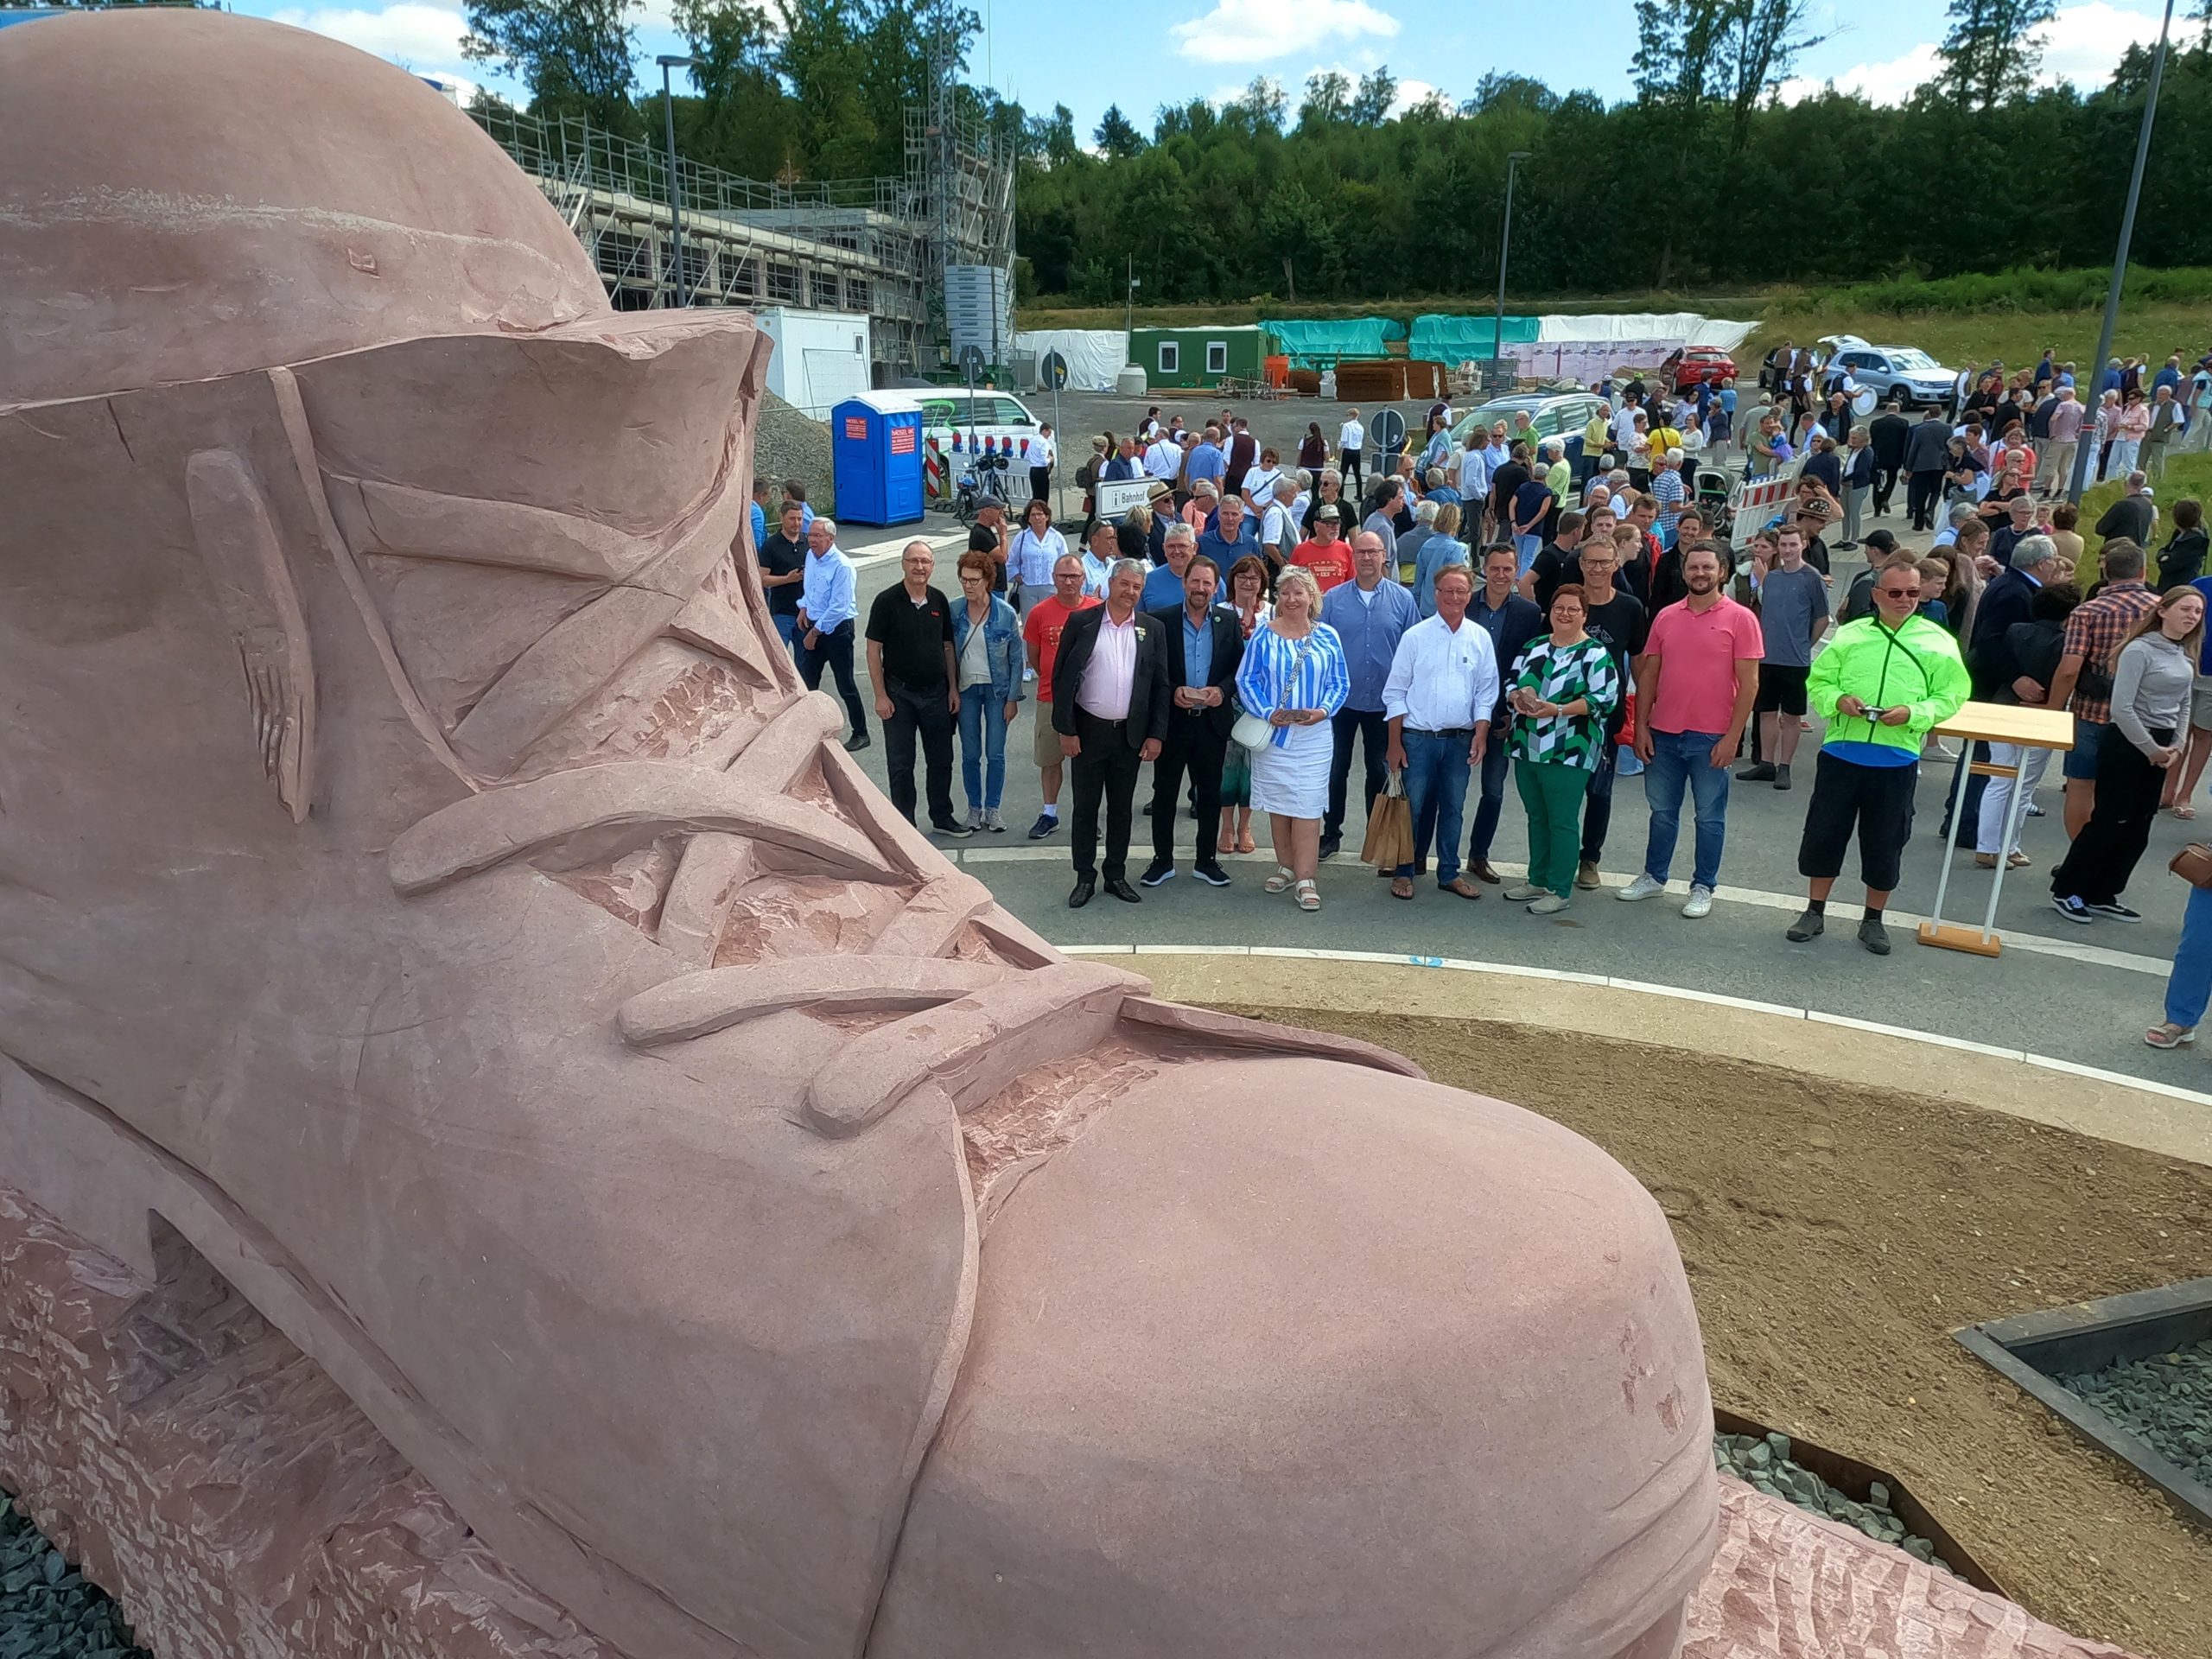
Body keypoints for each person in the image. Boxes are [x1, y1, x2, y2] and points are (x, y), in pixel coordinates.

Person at [1786, 559, 1971, 953]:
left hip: (1897, 757)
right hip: (1842, 752)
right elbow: (1819, 680)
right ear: (1876, 595)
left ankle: (1873, 919)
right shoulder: (1851, 635)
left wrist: (1915, 714)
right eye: (1895, 593)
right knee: (1824, 834)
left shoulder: (1938, 641)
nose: (1904, 600)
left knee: (1886, 841)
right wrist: (1838, 700)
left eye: (1912, 593)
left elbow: (1952, 695)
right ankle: (1814, 910)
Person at [1619, 543, 1760, 917]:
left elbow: (1749, 685)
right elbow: (1649, 674)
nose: (1700, 573)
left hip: (1712, 737)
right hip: (1663, 733)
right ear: (1683, 573)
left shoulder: (1741, 619)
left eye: (1707, 568)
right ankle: (1654, 876)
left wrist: (1733, 737)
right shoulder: (1665, 617)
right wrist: (1642, 727)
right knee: (1662, 812)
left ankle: (1703, 886)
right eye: (1693, 567)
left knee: (1709, 817)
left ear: (1722, 572)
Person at [2051, 585, 2207, 923]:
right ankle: (2069, 889)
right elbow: (2121, 708)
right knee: (2110, 819)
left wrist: (2176, 745)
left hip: (2164, 744)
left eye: (2197, 612)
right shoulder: (2139, 650)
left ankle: (2104, 892)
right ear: (2163, 610)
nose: (2192, 616)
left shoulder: (2184, 654)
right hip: (2128, 741)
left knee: (2139, 824)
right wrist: (2150, 749)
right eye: (2185, 609)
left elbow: (2184, 703)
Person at [1052, 558, 1169, 907]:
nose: (1130, 592)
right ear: (1111, 583)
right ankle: (1084, 877)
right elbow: (1062, 678)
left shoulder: (1152, 629)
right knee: (1086, 808)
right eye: (1125, 584)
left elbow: (1161, 685)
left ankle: (1115, 875)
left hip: (1129, 736)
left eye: (1137, 587)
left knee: (1121, 809)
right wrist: (1066, 729)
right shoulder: (1082, 622)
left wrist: (1156, 735)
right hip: (1088, 731)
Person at [1499, 585, 1621, 914]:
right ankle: (1537, 878)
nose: (1564, 614)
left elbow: (1603, 700)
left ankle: (1559, 887)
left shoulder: (1596, 654)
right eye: (1558, 608)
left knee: (1562, 820)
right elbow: (1510, 682)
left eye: (1572, 609)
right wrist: (1517, 697)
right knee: (1536, 816)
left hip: (1569, 749)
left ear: (1584, 614)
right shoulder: (1534, 646)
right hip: (1527, 746)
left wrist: (1557, 710)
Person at [1380, 563, 1497, 903]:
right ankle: (1404, 871)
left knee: (1454, 808)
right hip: (1418, 740)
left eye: (1462, 591)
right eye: (1448, 591)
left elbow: (1487, 692)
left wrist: (1480, 733)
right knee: (1411, 809)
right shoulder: (1415, 637)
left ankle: (1449, 872)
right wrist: (1394, 743)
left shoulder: (1480, 638)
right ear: (1436, 595)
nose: (1455, 597)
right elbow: (1395, 692)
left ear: (1469, 594)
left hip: (1460, 739)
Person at [1237, 566, 1351, 912]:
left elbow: (1340, 683)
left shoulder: (1328, 636)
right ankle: (1285, 867)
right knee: (1278, 804)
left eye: (1298, 592)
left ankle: (1306, 877)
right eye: (1285, 592)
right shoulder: (1263, 635)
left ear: (1311, 597)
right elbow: (1246, 680)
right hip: (1274, 736)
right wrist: (1268, 710)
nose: (1291, 599)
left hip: (1314, 738)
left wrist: (1322, 711)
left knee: (1307, 806)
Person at [2048, 540, 2161, 841]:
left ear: (2106, 571)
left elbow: (2070, 669)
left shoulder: (2087, 612)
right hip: (2144, 716)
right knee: (2125, 792)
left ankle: (2079, 857)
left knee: (2081, 786)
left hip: (2091, 712)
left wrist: (2052, 710)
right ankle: (2107, 861)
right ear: (2143, 571)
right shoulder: (2161, 611)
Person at [1141, 554, 1242, 890]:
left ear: (1216, 588)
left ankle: (1206, 861)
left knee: (1210, 795)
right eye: (1195, 581)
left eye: (1207, 583)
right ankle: (1162, 860)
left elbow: (1237, 671)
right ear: (1184, 584)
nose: (1200, 589)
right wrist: (1172, 691)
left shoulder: (1227, 621)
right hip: (1173, 722)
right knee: (1165, 794)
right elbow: (1152, 671)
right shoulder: (1161, 621)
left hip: (1212, 722)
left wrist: (1221, 691)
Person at [1318, 531, 1420, 862]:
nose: (1366, 558)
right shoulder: (1332, 600)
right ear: (1352, 557)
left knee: (1380, 771)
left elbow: (1413, 651)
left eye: (1372, 552)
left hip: (1385, 703)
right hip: (1340, 701)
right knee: (1335, 770)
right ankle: (1331, 832)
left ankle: (1377, 837)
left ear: (1384, 556)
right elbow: (1319, 647)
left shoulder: (1403, 600)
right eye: (1360, 552)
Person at [863, 540, 966, 836]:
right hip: (899, 695)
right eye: (913, 561)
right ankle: (904, 825)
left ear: (933, 566)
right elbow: (873, 651)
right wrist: (881, 696)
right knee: (901, 763)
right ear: (903, 564)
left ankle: (942, 817)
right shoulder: (886, 601)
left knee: (941, 759)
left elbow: (948, 646)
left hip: (937, 694)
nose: (919, 567)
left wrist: (952, 689)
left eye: (925, 561)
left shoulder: (938, 600)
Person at [1978, 570, 2079, 868]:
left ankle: (1988, 846)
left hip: (2004, 708)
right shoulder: (2066, 643)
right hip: (2042, 716)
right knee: (2025, 784)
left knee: (1999, 779)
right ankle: (2010, 845)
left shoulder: (2015, 631)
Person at [1462, 544, 1547, 884]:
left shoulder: (1529, 613)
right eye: (1494, 569)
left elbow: (1531, 665)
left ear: (1515, 571)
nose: (1500, 575)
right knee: (1448, 791)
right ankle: (1430, 851)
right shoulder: (1464, 604)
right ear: (1484, 569)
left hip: (1503, 714)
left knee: (1493, 791)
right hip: (1460, 712)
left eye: (1507, 569)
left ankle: (1479, 855)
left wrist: (1516, 711)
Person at [1568, 536, 1645, 888]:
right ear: (1581, 564)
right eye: (1591, 562)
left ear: (1616, 565)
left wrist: (1642, 715)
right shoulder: (1567, 601)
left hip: (1605, 719)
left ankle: (1589, 859)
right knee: (1563, 793)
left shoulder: (1630, 608)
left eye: (1604, 562)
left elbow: (1641, 665)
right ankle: (1561, 856)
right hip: (1562, 716)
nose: (1597, 569)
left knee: (1599, 792)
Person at [1735, 524, 1828, 791]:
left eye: (1793, 545)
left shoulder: (1812, 578)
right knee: (1765, 712)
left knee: (1791, 716)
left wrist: (1805, 644)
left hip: (1795, 660)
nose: (1788, 550)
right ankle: (1766, 763)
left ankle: (1785, 765)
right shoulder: (1772, 578)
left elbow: (1822, 617)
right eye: (1784, 545)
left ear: (1803, 545)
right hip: (1767, 657)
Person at [1020, 553, 1101, 840]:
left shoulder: (1097, 610)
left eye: (1074, 576)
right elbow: (1034, 655)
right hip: (1051, 698)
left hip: (1091, 699)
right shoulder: (1039, 613)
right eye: (1063, 576)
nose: (1069, 581)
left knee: (1089, 763)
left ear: (1083, 579)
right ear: (1054, 579)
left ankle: (1087, 817)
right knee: (1051, 760)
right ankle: (1049, 813)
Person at [949, 550, 1023, 832]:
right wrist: (951, 689)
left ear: (987, 581)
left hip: (997, 691)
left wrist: (1013, 698)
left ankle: (993, 809)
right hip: (966, 689)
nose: (968, 586)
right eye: (964, 580)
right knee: (970, 754)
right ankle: (973, 809)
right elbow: (947, 652)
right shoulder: (954, 610)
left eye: (974, 580)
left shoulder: (1004, 613)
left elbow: (1017, 658)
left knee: (995, 753)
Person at [795, 515, 869, 752]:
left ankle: (861, 732)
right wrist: (803, 607)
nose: (812, 540)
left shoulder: (842, 566)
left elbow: (838, 607)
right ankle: (808, 729)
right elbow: (810, 587)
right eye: (810, 535)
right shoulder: (811, 557)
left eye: (818, 536)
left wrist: (814, 634)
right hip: (813, 622)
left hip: (836, 630)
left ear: (831, 538)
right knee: (808, 682)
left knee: (845, 683)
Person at [1217, 554, 1273, 856]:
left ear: (1263, 582)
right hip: (1227, 699)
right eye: (1242, 577)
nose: (1248, 582)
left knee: (1252, 768)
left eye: (1254, 578)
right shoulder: (1221, 612)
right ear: (1232, 581)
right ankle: (1226, 825)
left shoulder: (1274, 614)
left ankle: (1245, 826)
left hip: (1260, 703)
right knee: (1227, 766)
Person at [1006, 496, 1067, 631]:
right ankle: (1029, 653)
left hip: (1051, 588)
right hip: (1028, 589)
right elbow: (1011, 562)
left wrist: (1062, 583)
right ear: (1028, 519)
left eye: (1040, 514)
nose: (1037, 518)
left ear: (1047, 517)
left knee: (1051, 626)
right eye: (1033, 515)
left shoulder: (1056, 537)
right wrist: (1017, 577)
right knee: (1030, 627)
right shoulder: (1021, 537)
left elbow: (1065, 563)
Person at [757, 496, 808, 654]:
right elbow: (762, 579)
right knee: (778, 656)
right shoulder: (771, 545)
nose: (797, 523)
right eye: (792, 519)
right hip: (782, 613)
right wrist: (787, 579)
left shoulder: (808, 542)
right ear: (781, 517)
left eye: (800, 519)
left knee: (805, 661)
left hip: (805, 612)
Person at [1903, 406, 1953, 531]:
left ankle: (1918, 523)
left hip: (1921, 465)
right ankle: (1930, 510)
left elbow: (1914, 448)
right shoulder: (1947, 428)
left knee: (1920, 493)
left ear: (1929, 413)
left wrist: (1908, 467)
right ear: (1940, 413)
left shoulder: (1920, 429)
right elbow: (1949, 447)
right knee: (1936, 490)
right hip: (1939, 464)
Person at [1413, 502, 1467, 616]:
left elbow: (1418, 581)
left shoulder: (1426, 545)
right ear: (1457, 523)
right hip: (1446, 609)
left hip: (1426, 607)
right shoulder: (1456, 549)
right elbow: (1456, 583)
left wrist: (1417, 604)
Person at [1291, 504, 1357, 592]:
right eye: (1329, 523)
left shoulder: (1346, 550)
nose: (1335, 527)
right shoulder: (1300, 550)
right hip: (1311, 603)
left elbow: (1352, 583)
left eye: (1337, 522)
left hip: (1338, 604)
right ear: (1316, 525)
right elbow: (1291, 581)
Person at [1197, 491, 1261, 572]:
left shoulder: (1251, 543)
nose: (1230, 518)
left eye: (1234, 514)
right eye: (1225, 514)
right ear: (1219, 516)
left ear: (1242, 518)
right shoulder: (1202, 542)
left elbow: (1258, 573)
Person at [1142, 522, 1198, 613]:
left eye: (1182, 546)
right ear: (1164, 549)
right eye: (1171, 546)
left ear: (1194, 548)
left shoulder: (1208, 578)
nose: (1176, 551)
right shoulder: (1148, 580)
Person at [1868, 398, 1910, 517]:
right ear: (1898, 411)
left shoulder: (1876, 423)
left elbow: (1873, 439)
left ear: (1887, 410)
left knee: (1878, 482)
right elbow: (1905, 441)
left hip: (1879, 456)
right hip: (1895, 457)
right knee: (1891, 479)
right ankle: (1885, 499)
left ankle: (1877, 509)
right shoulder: (1903, 423)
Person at [2098, 471, 2159, 550]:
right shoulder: (2148, 506)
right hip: (2137, 551)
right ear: (2142, 486)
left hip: (2116, 551)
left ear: (2126, 484)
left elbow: (2101, 528)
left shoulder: (2122, 505)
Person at [1840, 425, 1874, 548]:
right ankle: (1844, 538)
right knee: (1845, 513)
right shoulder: (1854, 450)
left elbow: (1862, 471)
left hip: (1857, 485)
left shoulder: (1867, 452)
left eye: (1855, 438)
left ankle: (1854, 539)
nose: (1852, 441)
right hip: (1847, 484)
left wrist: (1846, 478)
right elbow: (1849, 465)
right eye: (1851, 438)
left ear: (1863, 439)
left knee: (1854, 513)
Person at [1338, 408, 1366, 495]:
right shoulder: (1361, 427)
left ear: (1351, 415)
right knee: (1357, 473)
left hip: (1348, 451)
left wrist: (1339, 447)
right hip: (1357, 452)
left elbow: (1344, 440)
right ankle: (1359, 494)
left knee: (1343, 473)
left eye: (1348, 415)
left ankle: (1341, 494)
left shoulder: (1346, 426)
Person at [1028, 421, 1056, 504]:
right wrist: (1050, 459)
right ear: (1044, 430)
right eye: (1049, 432)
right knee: (1043, 496)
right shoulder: (1044, 443)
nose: (1049, 435)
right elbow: (1044, 461)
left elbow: (1027, 455)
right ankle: (1043, 513)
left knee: (1036, 495)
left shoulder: (1032, 440)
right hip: (1041, 471)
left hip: (1033, 470)